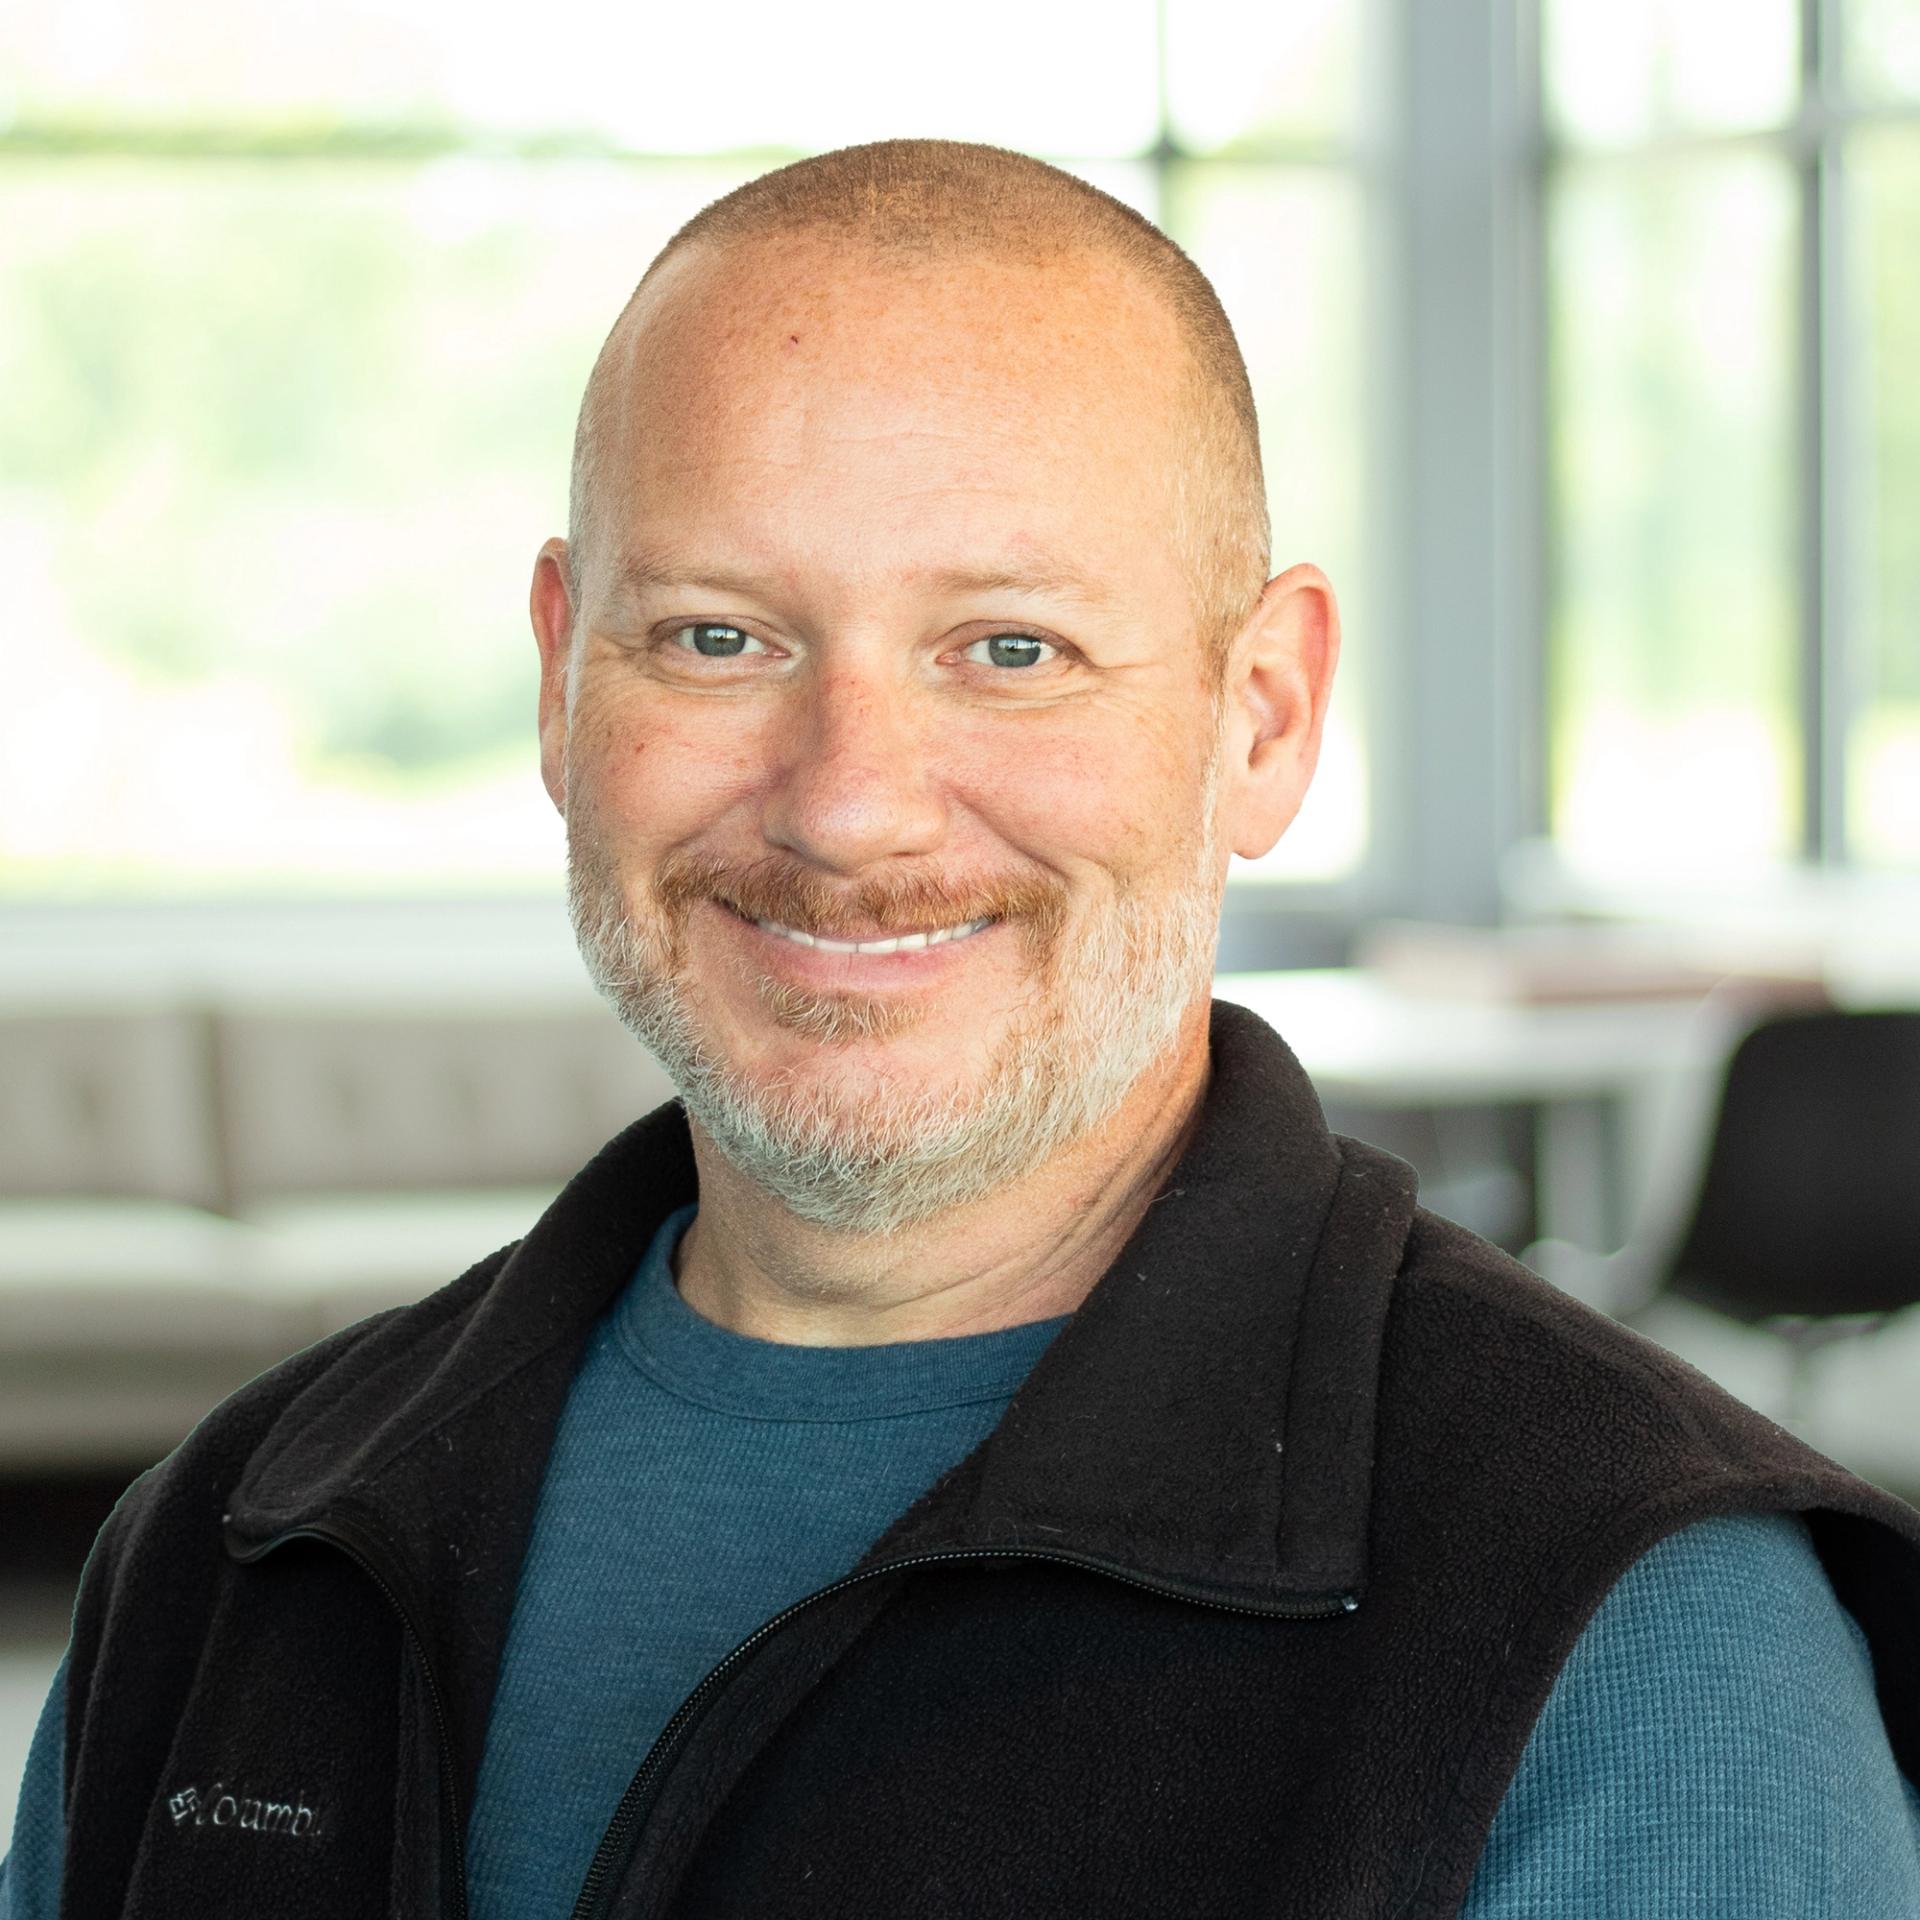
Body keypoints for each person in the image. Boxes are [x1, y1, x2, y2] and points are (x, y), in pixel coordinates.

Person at [5, 138, 1919, 1920]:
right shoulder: (234, 1542)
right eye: (718, 638)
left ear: (1258, 716)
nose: (849, 807)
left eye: (1011, 650)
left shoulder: (1633, 1635)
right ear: (560, 680)